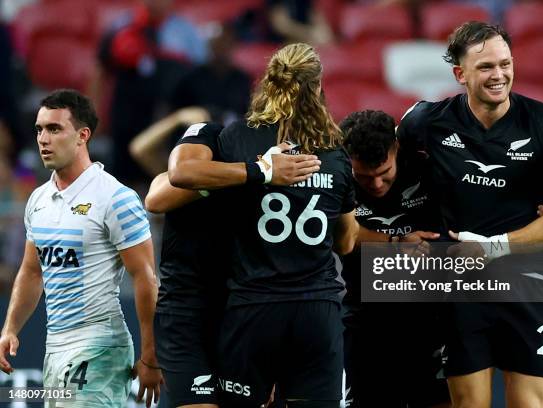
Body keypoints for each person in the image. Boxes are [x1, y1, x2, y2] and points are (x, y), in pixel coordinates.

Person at [396, 22, 543, 408]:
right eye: (485, 67)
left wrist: (492, 248)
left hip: (527, 281)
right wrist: (400, 237)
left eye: (505, 64)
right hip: (459, 287)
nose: (499, 75)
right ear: (459, 73)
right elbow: (389, 183)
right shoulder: (424, 123)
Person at [171, 42, 359, 407]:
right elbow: (347, 242)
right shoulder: (335, 153)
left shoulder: (237, 138)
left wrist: (260, 172)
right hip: (317, 311)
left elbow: (181, 178)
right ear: (319, 88)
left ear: (268, 84)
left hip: (253, 308)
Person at [144, 118, 323, 407]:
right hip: (186, 314)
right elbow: (155, 199)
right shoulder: (215, 140)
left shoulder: (284, 174)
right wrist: (256, 171)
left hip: (245, 316)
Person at [0, 89, 162, 407]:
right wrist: (10, 328)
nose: (43, 139)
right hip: (55, 345)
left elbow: (145, 278)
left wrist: (150, 355)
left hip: (100, 343)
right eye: (39, 129)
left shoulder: (115, 197)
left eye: (55, 129)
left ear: (82, 136)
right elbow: (33, 271)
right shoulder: (38, 200)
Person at [339, 110, 449, 408]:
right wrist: (394, 243)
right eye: (364, 176)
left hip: (430, 317)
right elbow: (341, 234)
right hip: (367, 318)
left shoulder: (428, 169)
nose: (375, 184)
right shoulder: (337, 175)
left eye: (383, 172)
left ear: (396, 149)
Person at [95, 0, 206, 185]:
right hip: (127, 116)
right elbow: (101, 69)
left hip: (169, 118)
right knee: (123, 176)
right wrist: (95, 112)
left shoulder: (185, 33)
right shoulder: (122, 27)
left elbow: (200, 76)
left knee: (162, 176)